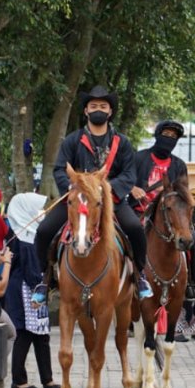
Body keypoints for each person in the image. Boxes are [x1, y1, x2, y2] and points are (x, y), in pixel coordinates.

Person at [33, 85, 152, 300]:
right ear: (86, 111)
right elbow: (59, 169)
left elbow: (129, 174)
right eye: (94, 106)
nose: (98, 109)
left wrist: (104, 190)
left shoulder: (122, 143)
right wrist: (72, 187)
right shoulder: (72, 140)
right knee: (43, 231)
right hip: (77, 200)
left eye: (103, 106)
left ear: (110, 111)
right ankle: (46, 278)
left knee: (135, 229)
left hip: (112, 201)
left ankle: (139, 274)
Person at [130, 120, 195, 301]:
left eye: (173, 137)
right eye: (166, 135)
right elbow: (124, 179)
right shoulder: (138, 158)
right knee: (127, 235)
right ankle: (124, 280)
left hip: (171, 213)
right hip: (139, 210)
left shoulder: (179, 165)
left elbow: (184, 192)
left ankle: (193, 284)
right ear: (157, 136)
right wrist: (132, 188)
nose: (169, 139)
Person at [4, 192, 59, 388]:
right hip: (25, 290)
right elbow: (30, 270)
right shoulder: (22, 236)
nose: (41, 213)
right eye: (37, 210)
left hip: (35, 288)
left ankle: (47, 379)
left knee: (42, 335)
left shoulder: (29, 233)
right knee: (24, 334)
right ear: (25, 211)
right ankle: (19, 380)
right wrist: (41, 288)